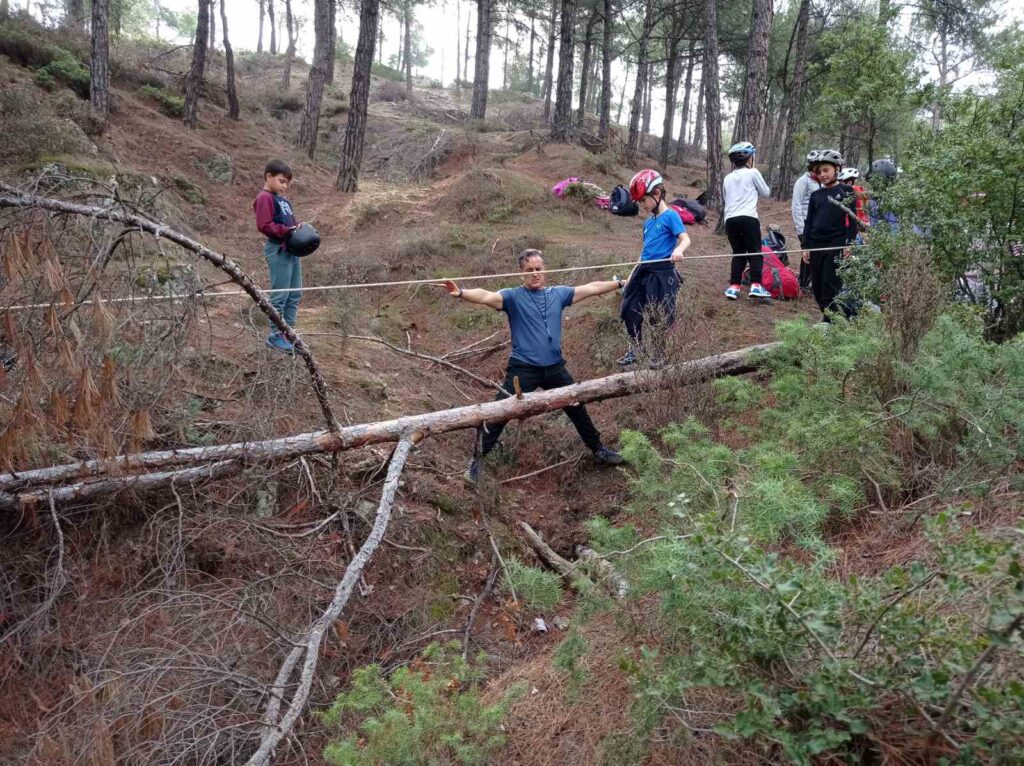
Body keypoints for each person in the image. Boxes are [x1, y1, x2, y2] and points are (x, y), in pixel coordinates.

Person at [441, 249, 626, 486]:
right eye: (530, 270)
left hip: (555, 368)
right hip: (523, 369)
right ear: (521, 274)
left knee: (577, 406)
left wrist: (620, 283)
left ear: (545, 270)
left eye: (539, 269)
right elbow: (486, 296)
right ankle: (476, 462)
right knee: (498, 413)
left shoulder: (557, 294)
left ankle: (598, 450)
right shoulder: (512, 297)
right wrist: (462, 293)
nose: (535, 274)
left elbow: (591, 288)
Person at [616, 168, 691, 368]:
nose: (641, 205)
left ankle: (659, 354)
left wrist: (679, 251)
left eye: (643, 200)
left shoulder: (671, 216)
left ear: (656, 194)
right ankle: (636, 348)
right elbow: (644, 253)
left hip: (662, 272)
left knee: (660, 314)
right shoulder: (648, 223)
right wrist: (631, 276)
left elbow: (685, 238)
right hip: (644, 270)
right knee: (629, 307)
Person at [801, 150, 860, 322]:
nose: (822, 175)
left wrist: (849, 243)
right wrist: (806, 246)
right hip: (816, 245)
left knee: (831, 285)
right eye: (819, 172)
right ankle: (837, 318)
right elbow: (809, 222)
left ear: (836, 169)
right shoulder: (815, 195)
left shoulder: (846, 190)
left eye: (826, 170)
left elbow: (853, 218)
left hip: (836, 243)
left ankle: (831, 322)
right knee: (818, 288)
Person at [254, 159, 302, 354]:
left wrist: (298, 230)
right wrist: (286, 230)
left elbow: (291, 222)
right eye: (282, 181)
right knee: (280, 294)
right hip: (278, 250)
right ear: (269, 177)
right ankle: (275, 336)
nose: (285, 186)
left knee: (294, 293)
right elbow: (264, 225)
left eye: (287, 182)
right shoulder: (265, 197)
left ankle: (288, 333)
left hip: (292, 251)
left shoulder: (284, 200)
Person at [722, 142, 771, 301]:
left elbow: (726, 198)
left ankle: (733, 287)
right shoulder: (753, 172)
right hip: (749, 217)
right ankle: (756, 285)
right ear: (750, 159)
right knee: (755, 251)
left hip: (730, 219)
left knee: (738, 253)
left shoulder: (727, 178)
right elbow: (766, 192)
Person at [792, 150, 822, 291]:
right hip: (805, 223)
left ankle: (811, 282)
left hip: (818, 224)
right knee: (808, 254)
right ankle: (803, 283)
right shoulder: (803, 181)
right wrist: (800, 228)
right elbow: (796, 205)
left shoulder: (820, 182)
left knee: (816, 253)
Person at [866, 158, 900, 231]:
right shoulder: (873, 201)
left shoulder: (895, 201)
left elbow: (894, 228)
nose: (873, 185)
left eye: (876, 181)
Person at [836, 167, 870, 232]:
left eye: (841, 182)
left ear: (849, 183)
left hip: (855, 227)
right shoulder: (842, 193)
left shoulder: (857, 192)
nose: (839, 185)